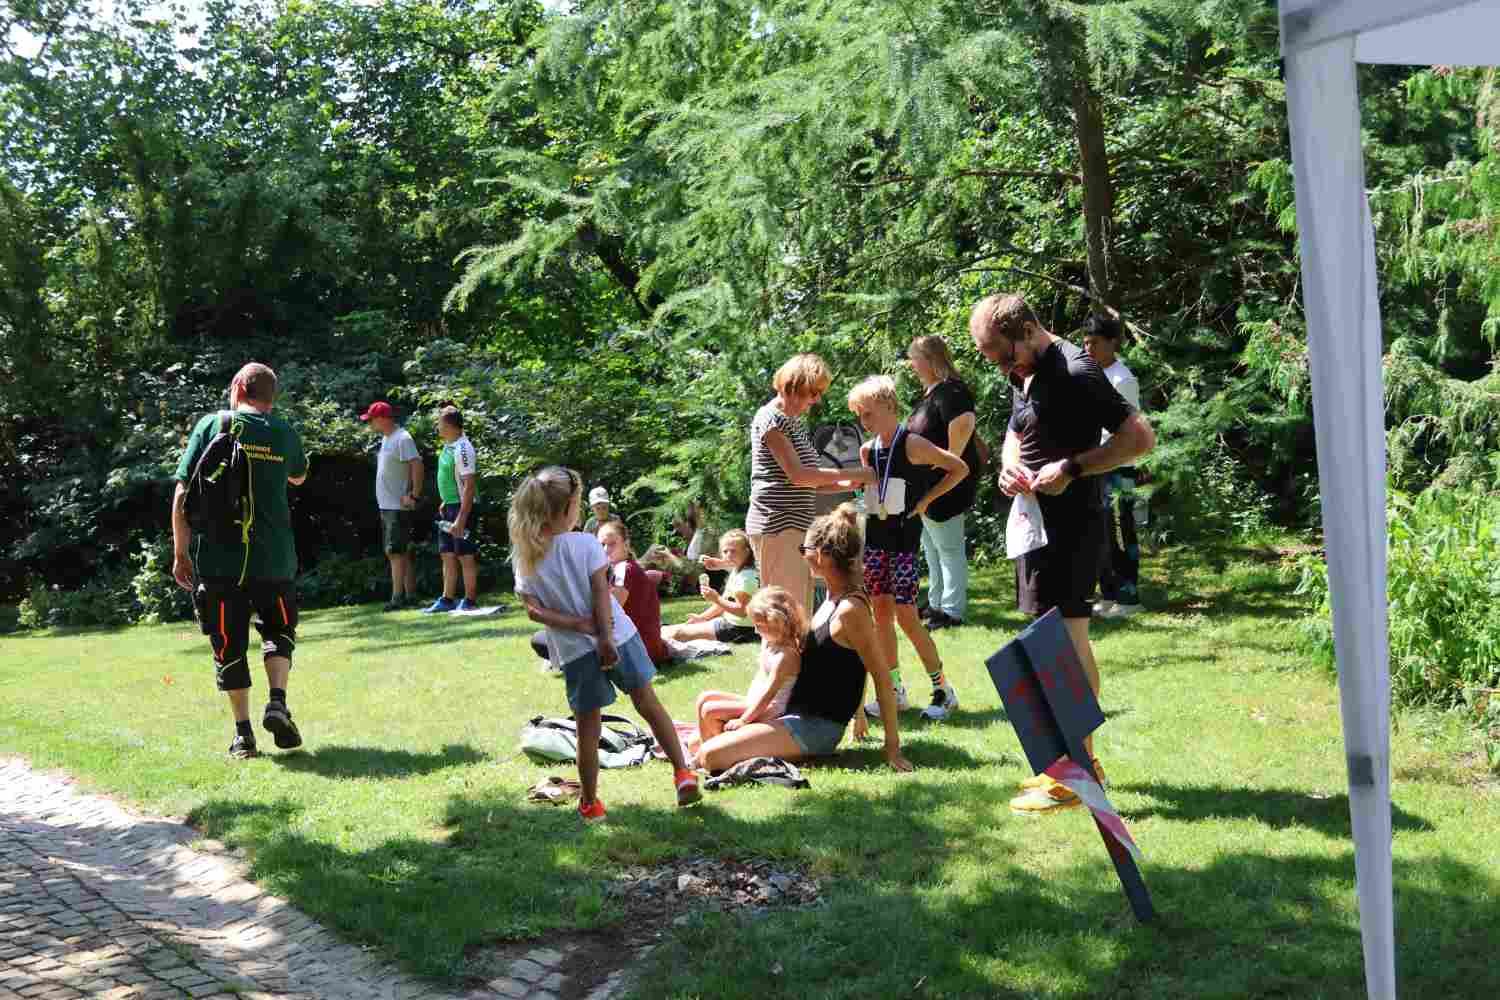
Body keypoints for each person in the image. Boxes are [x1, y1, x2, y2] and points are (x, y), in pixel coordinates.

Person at [969, 294, 1155, 814]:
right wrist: (1010, 466)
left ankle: (1079, 771)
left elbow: (1140, 438)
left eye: (1003, 356)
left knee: (1067, 643)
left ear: (1027, 329)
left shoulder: (1077, 371)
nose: (1001, 366)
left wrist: (1071, 468)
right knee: (1045, 641)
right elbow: (1015, 428)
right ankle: (1073, 767)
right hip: (1033, 524)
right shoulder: (1021, 369)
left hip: (1073, 525)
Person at [510, 466, 701, 821]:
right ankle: (682, 773)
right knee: (648, 703)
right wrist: (604, 635)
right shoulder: (584, 544)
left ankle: (590, 803)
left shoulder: (525, 557)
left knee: (587, 728)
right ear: (568, 507)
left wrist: (578, 626)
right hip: (619, 637)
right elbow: (601, 592)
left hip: (575, 652)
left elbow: (534, 613)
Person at [697, 504, 914, 774]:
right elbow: (847, 666)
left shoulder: (851, 610)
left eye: (804, 550)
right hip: (793, 713)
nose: (803, 556)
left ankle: (775, 752)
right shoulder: (830, 599)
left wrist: (892, 748)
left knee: (709, 756)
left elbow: (881, 675)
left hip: (816, 727)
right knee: (707, 720)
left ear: (821, 555)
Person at [170, 363, 309, 759]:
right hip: (274, 559)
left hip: (218, 562)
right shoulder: (282, 432)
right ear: (271, 397)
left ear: (236, 388)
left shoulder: (213, 426)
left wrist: (181, 553)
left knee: (228, 645)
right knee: (279, 632)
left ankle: (243, 736)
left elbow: (182, 497)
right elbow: (299, 477)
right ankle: (278, 702)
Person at [846, 375, 968, 722]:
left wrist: (926, 500)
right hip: (876, 541)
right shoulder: (869, 450)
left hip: (904, 542)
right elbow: (871, 490)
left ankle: (943, 689)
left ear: (888, 406)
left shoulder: (913, 443)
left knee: (907, 617)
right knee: (880, 616)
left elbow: (959, 468)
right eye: (860, 415)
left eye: (867, 414)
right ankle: (894, 690)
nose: (864, 422)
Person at [746, 353, 875, 610]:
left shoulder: (791, 423)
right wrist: (856, 474)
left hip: (795, 525)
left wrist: (847, 486)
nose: (816, 400)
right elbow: (799, 475)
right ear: (794, 385)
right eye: (813, 392)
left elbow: (809, 480)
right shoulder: (771, 420)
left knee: (798, 608)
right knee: (784, 611)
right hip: (777, 524)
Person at [903, 335, 981, 630]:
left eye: (916, 358)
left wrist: (947, 462)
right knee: (932, 549)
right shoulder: (930, 395)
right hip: (925, 485)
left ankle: (952, 610)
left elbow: (963, 426)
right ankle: (936, 604)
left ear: (931, 360)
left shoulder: (952, 392)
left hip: (947, 483)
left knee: (948, 549)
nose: (912, 365)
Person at [1082, 313, 1145, 619]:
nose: (1088, 348)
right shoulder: (1092, 374)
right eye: (1084, 342)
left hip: (1119, 468)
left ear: (1112, 342)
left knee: (1121, 531)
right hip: (1096, 465)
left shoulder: (1123, 379)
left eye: (1094, 342)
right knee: (1100, 534)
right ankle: (1108, 595)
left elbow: (1129, 430)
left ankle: (1129, 597)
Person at [693, 586, 806, 744]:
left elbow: (769, 695)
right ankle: (706, 745)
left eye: (759, 626)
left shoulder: (785, 656)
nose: (755, 630)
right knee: (705, 697)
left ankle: (714, 752)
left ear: (777, 623)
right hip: (753, 701)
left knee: (710, 710)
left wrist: (743, 721)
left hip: (769, 709)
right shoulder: (771, 640)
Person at [361, 401, 424, 611]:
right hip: (388, 506)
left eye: (371, 419)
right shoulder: (388, 438)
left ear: (382, 418)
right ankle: (410, 595)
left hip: (397, 507)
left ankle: (398, 598)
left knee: (395, 551)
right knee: (400, 551)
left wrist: (414, 495)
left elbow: (417, 464)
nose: (370, 423)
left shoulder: (403, 438)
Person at [424, 405, 479, 613]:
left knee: (465, 554)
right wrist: (445, 500)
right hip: (450, 506)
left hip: (462, 507)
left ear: (451, 426)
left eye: (440, 423)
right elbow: (450, 477)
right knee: (447, 553)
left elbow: (469, 485)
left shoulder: (464, 448)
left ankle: (470, 599)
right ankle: (447, 599)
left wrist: (461, 518)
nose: (438, 427)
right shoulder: (449, 446)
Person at [660, 529, 759, 644]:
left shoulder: (746, 577)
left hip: (738, 630)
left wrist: (716, 598)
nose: (728, 555)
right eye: (725, 551)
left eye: (733, 551)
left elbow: (741, 611)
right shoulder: (738, 571)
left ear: (746, 552)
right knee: (673, 629)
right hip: (731, 624)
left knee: (676, 634)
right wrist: (702, 618)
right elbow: (724, 604)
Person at [598, 521, 670, 665]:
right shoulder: (624, 567)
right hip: (646, 649)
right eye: (602, 545)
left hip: (639, 652)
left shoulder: (623, 569)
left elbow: (611, 610)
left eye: (612, 544)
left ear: (626, 544)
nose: (606, 550)